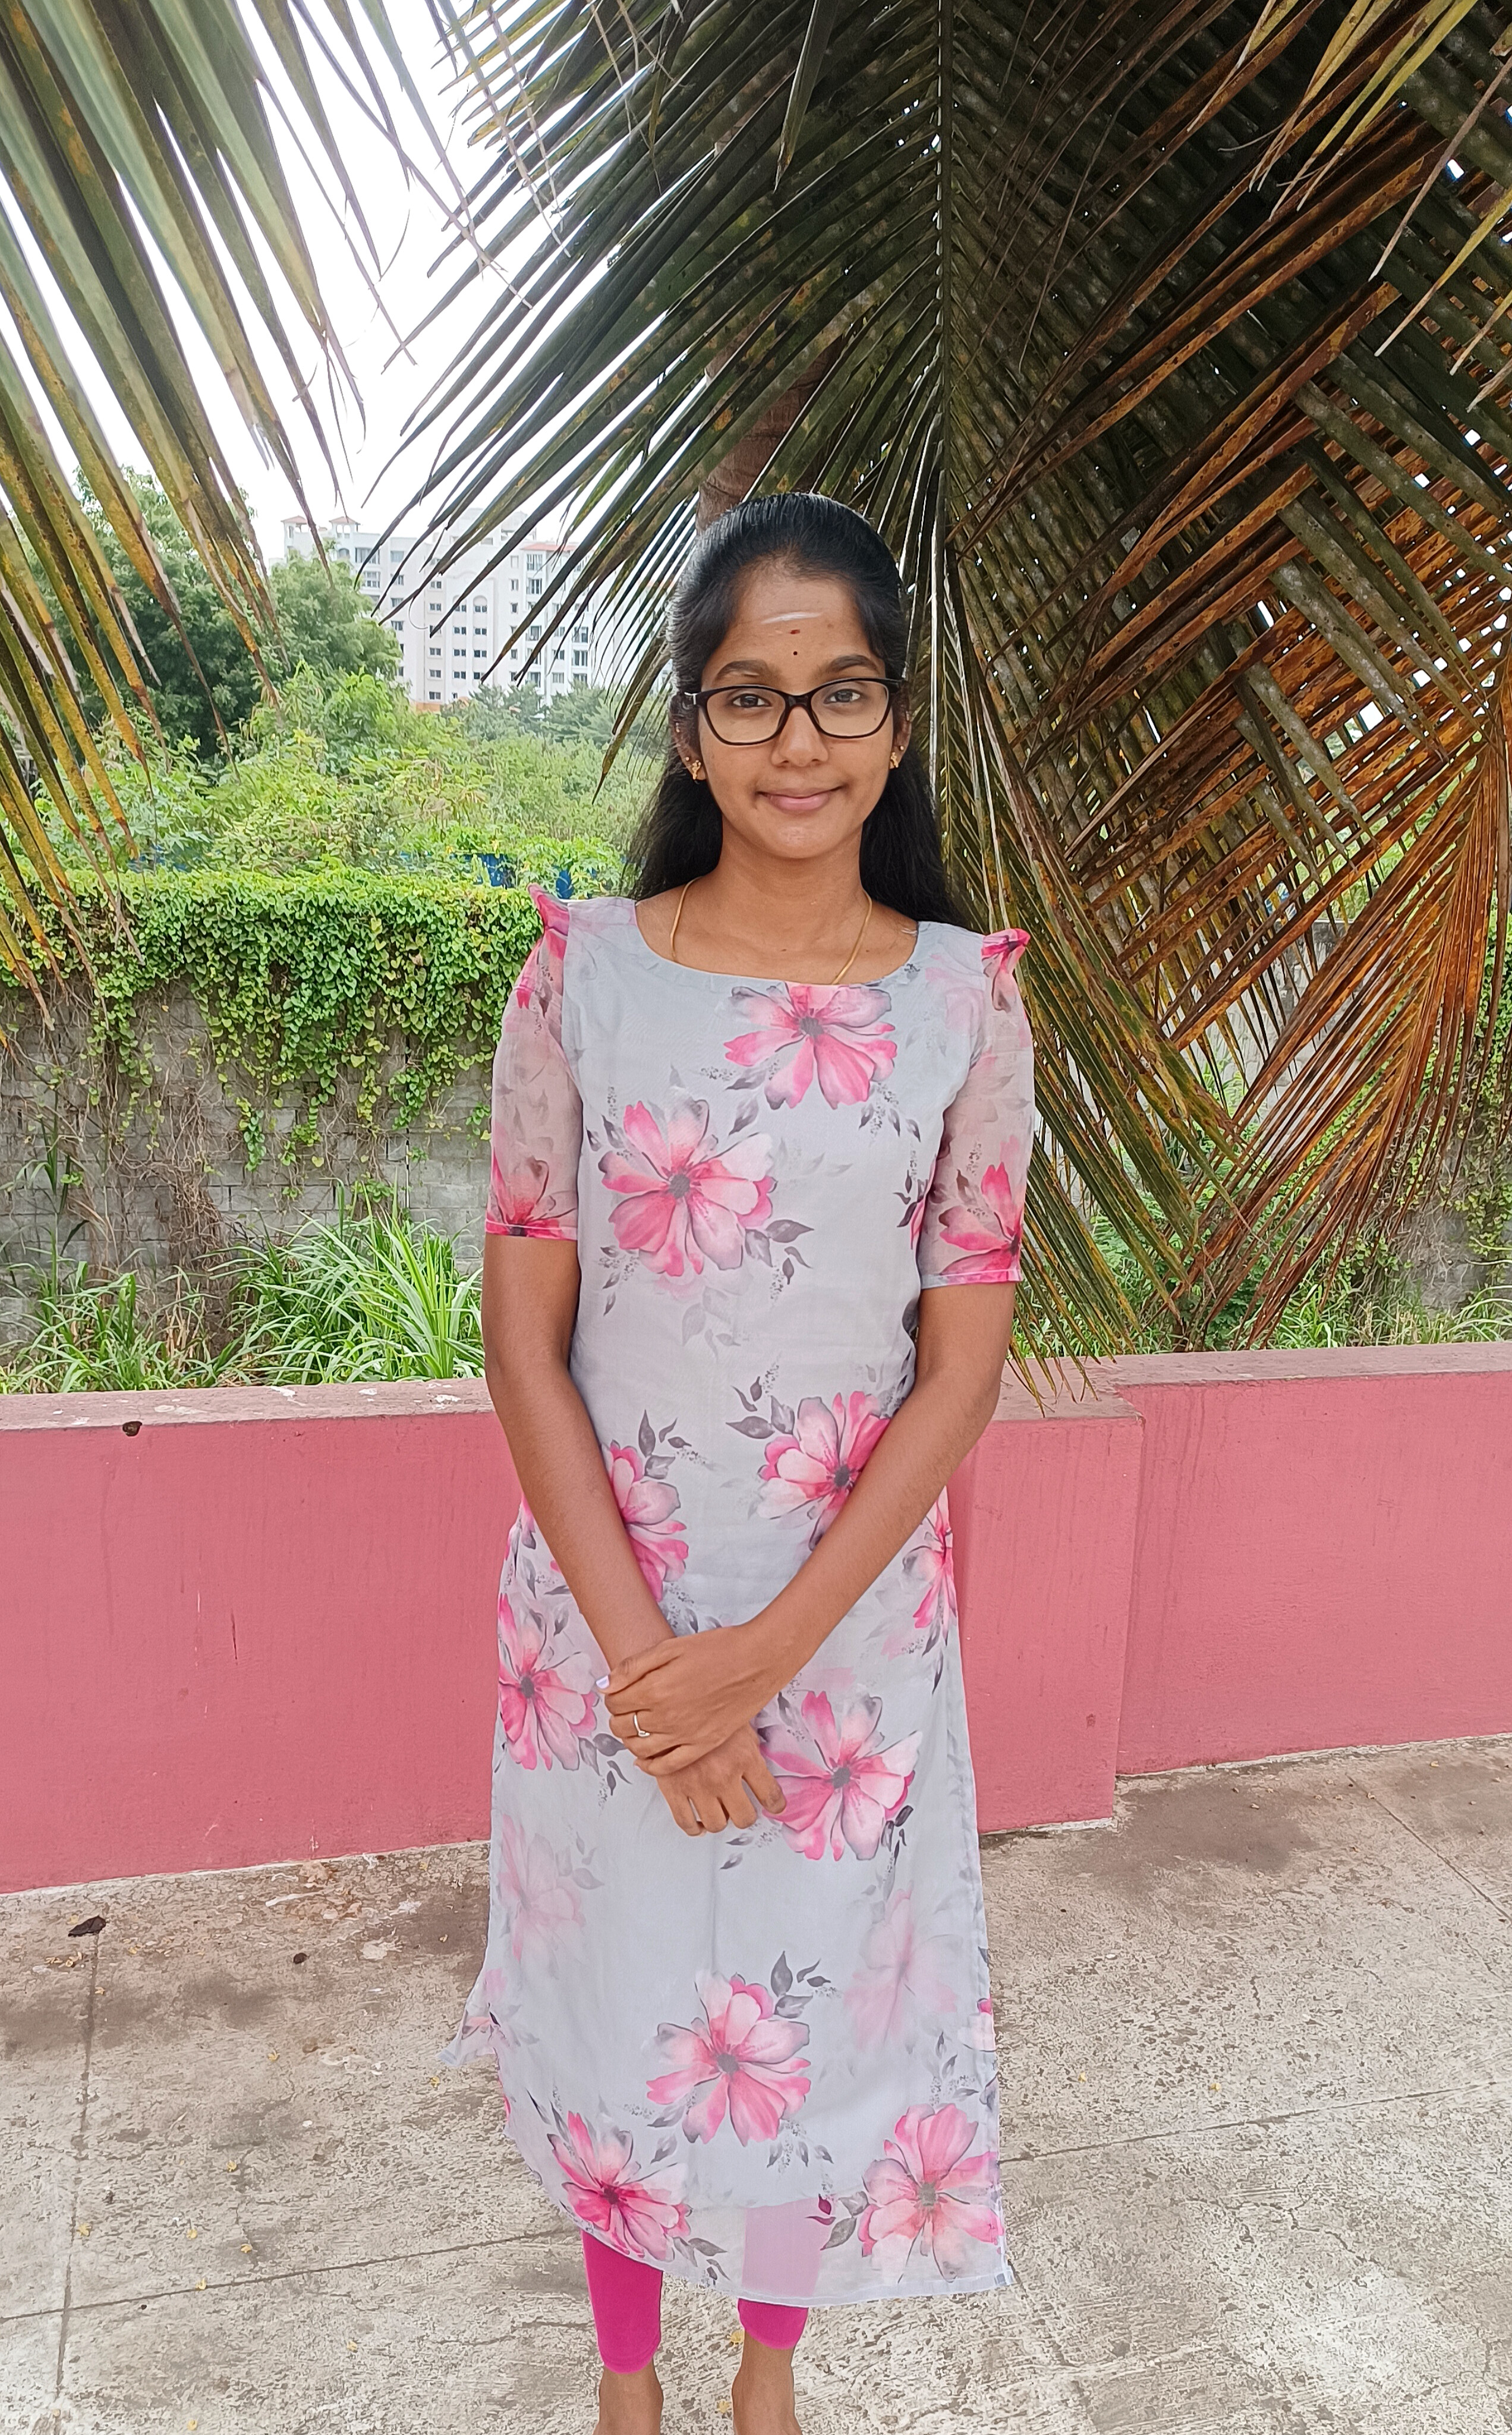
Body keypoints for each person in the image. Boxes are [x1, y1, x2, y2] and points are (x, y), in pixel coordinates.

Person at [441, 492, 1034, 2435]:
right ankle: (628, 2386)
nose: (800, 739)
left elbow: (959, 1370)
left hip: (846, 1636)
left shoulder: (966, 1002)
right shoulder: (582, 977)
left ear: (895, 722)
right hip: (606, 1620)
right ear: (692, 732)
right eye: (750, 696)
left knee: (801, 2028)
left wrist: (763, 1662)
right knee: (622, 2005)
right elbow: (523, 1342)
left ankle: (766, 2380)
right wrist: (656, 1674)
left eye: (840, 690)